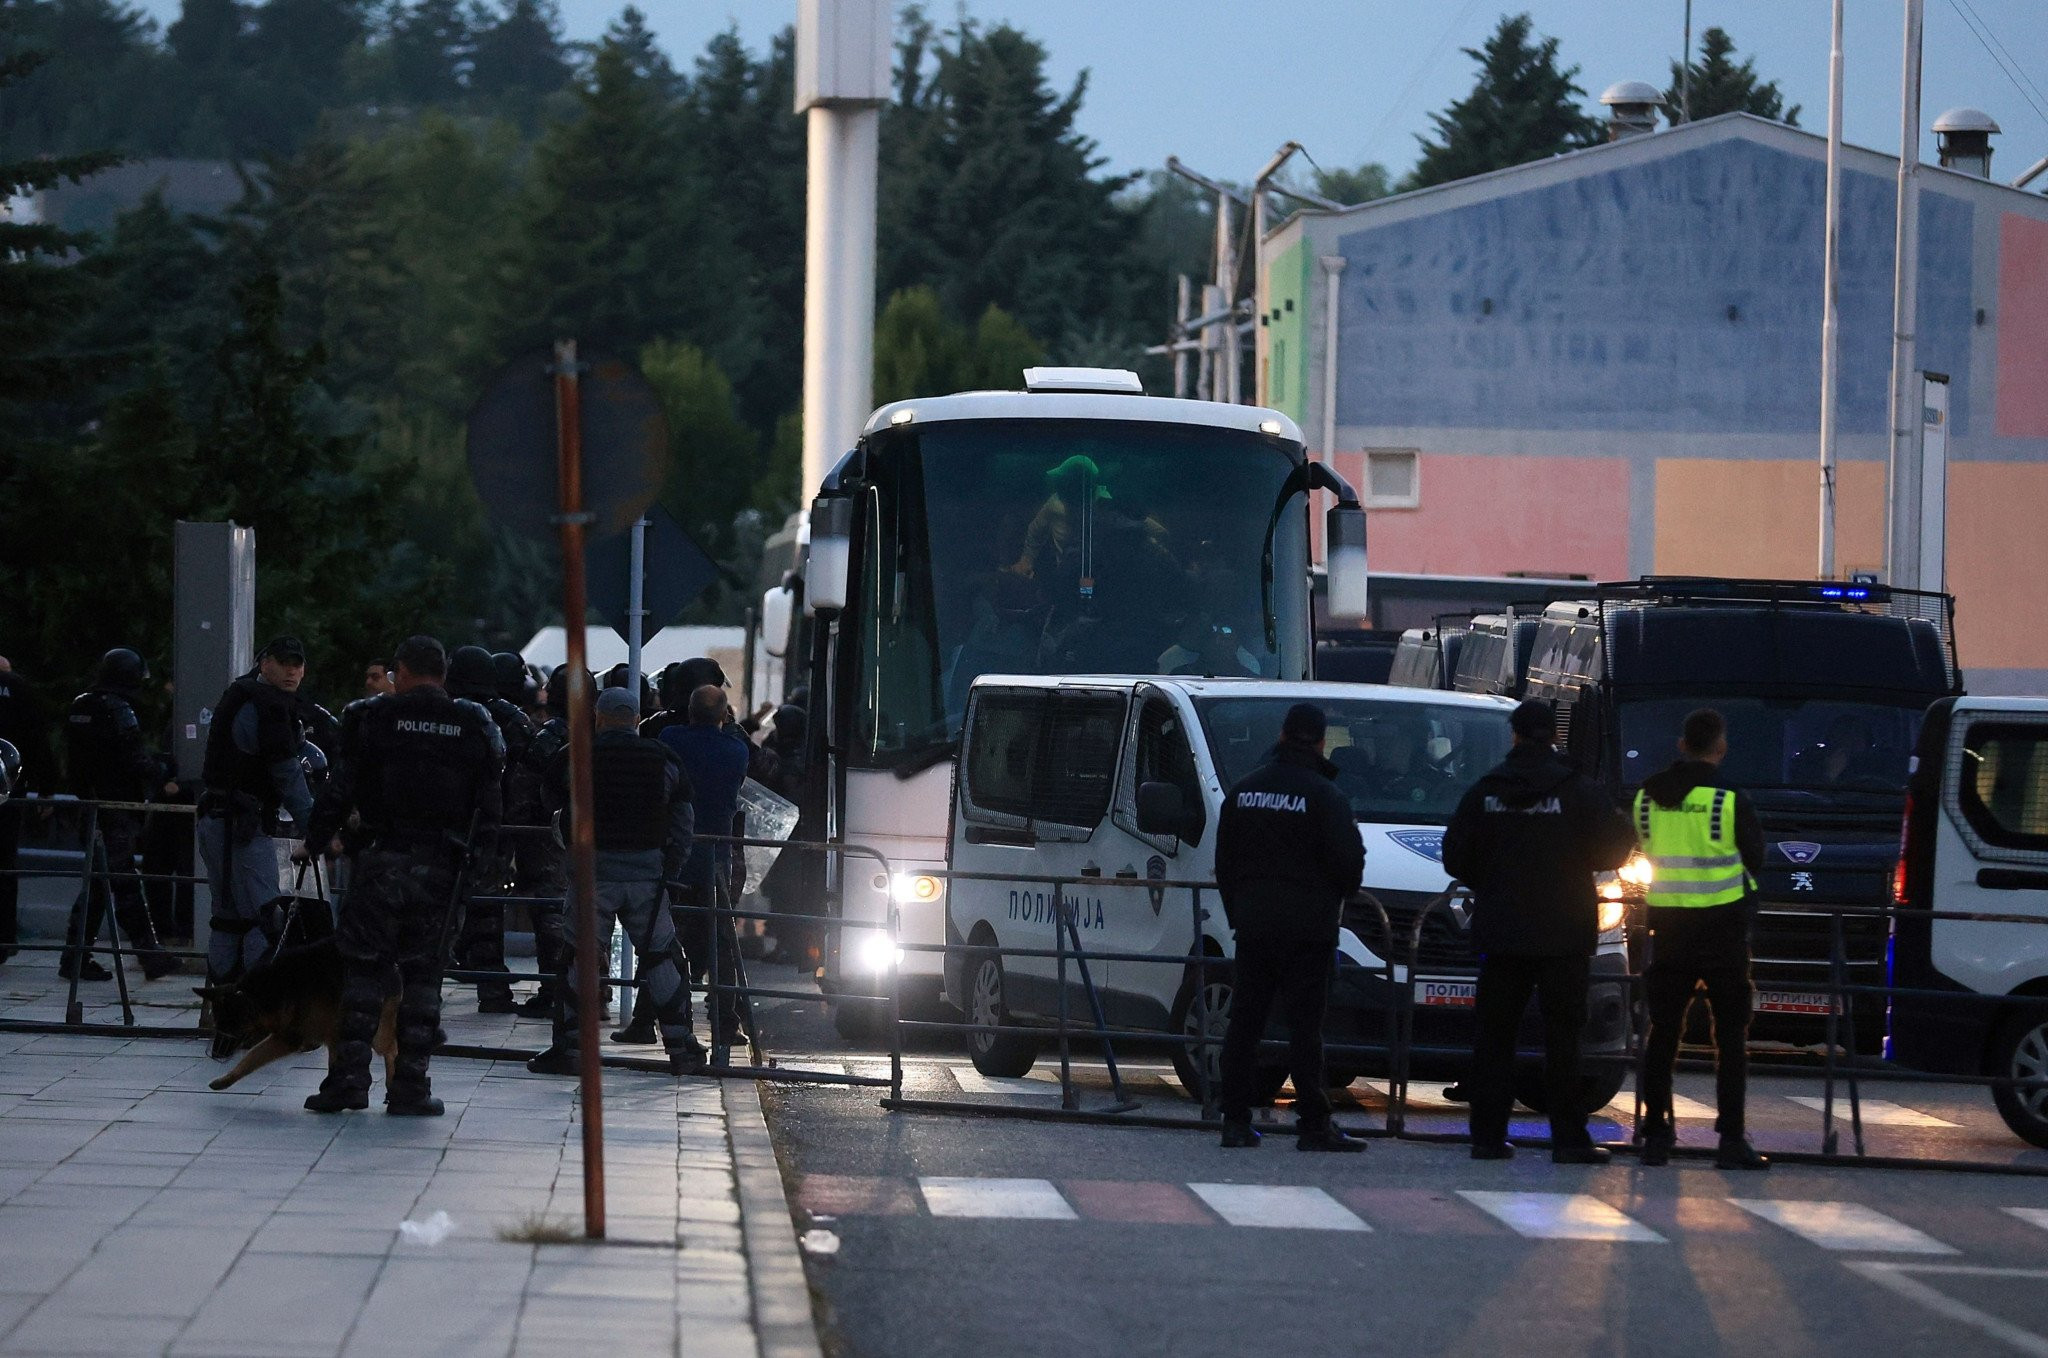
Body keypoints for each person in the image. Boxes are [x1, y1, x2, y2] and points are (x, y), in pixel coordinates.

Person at [301, 635, 501, 1115]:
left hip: (382, 858)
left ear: (401, 672)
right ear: (444, 673)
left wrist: (316, 841)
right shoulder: (473, 724)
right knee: (424, 978)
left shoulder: (372, 717)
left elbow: (339, 788)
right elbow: (490, 807)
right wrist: (482, 871)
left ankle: (347, 1082)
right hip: (443, 867)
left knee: (363, 972)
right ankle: (411, 1086)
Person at [1443, 698, 1637, 1164]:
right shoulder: (1577, 790)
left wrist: (1493, 880)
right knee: (1564, 1039)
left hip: (1502, 931)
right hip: (1563, 932)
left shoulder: (1487, 790)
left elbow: (1455, 855)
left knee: (1495, 1037)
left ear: (1514, 735)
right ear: (1554, 735)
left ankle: (1487, 1137)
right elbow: (1616, 847)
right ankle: (1568, 1139)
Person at [1211, 701, 1368, 1152]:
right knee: (1306, 1029)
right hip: (1309, 931)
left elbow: (1226, 865)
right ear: (1321, 742)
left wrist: (1239, 913)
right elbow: (1348, 865)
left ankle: (1235, 1120)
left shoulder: (1244, 791)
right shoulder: (1325, 796)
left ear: (1282, 734)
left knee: (1245, 1025)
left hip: (1256, 927)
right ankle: (1314, 1123)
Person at [528, 686, 707, 1077]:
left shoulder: (578, 755)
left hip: (592, 873)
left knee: (581, 957)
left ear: (599, 717)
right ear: (637, 718)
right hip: (647, 874)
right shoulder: (663, 758)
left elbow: (549, 799)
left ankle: (571, 1048)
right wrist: (670, 868)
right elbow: (683, 821)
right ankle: (681, 1047)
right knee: (661, 956)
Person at [1634, 707, 1771, 1171]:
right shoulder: (1729, 799)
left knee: (1662, 1033)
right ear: (1720, 746)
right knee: (1730, 1038)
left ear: (1681, 745)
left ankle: (1655, 1135)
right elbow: (1756, 858)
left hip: (1669, 930)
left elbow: (1646, 850)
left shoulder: (1646, 797)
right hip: (1722, 933)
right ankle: (1731, 1140)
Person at [197, 637, 313, 988]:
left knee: (228, 916)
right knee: (262, 918)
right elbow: (286, 772)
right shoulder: (267, 706)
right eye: (284, 662)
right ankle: (254, 1006)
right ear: (265, 664)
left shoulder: (242, 695)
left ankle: (222, 1007)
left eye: (298, 664)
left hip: (217, 818)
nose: (293, 670)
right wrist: (317, 826)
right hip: (243, 826)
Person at [62, 647, 181, 981]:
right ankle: (149, 955)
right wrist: (163, 767)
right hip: (116, 810)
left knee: (100, 883)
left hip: (90, 806)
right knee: (125, 883)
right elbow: (134, 760)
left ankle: (74, 958)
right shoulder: (119, 710)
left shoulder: (80, 705)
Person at [652, 683, 752, 1046]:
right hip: (717, 860)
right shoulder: (736, 750)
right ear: (724, 716)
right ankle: (726, 1023)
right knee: (721, 944)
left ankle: (649, 1018)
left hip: (675, 855)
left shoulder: (670, 738)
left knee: (663, 939)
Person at [447, 645, 525, 1013]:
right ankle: (492, 988)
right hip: (495, 825)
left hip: (451, 824)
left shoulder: (448, 712)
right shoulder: (509, 718)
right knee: (486, 907)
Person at [0, 654, 53, 966]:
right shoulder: (20, 690)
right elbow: (38, 741)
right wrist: (46, 789)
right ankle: (5, 938)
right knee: (6, 864)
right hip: (9, 789)